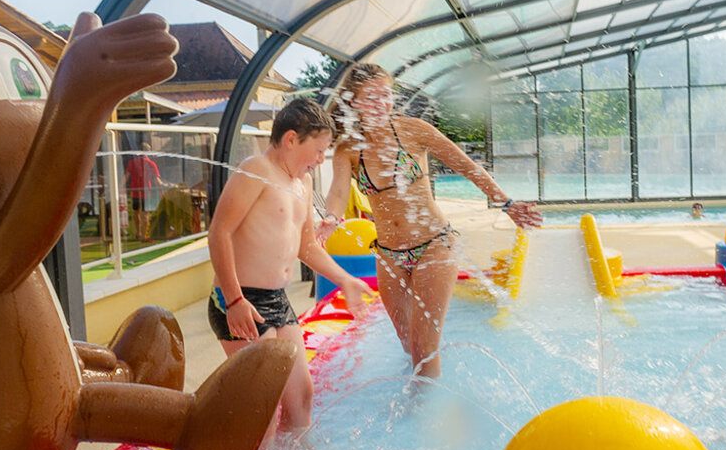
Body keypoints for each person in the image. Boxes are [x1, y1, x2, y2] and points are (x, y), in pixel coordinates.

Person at [317, 63, 542, 378]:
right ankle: (427, 390)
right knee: (407, 343)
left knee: (424, 347)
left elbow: (466, 166)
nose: (381, 103)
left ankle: (423, 406)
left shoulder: (413, 130)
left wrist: (507, 203)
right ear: (353, 102)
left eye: (385, 95)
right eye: (371, 97)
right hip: (389, 255)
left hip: (434, 244)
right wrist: (331, 217)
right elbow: (339, 191)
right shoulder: (348, 149)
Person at [208, 98, 372, 431]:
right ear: (291, 139)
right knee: (264, 405)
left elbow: (306, 246)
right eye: (319, 150)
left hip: (277, 300)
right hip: (240, 300)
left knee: (301, 396)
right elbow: (219, 233)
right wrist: (234, 300)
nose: (321, 159)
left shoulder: (302, 183)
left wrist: (345, 279)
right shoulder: (257, 170)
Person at [124, 141, 162, 241]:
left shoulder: (132, 162)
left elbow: (126, 177)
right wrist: (162, 190)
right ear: (148, 151)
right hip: (146, 191)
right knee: (145, 213)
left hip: (135, 190)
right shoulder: (151, 164)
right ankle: (144, 235)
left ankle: (138, 232)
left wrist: (119, 188)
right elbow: (157, 180)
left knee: (136, 212)